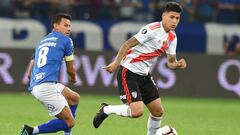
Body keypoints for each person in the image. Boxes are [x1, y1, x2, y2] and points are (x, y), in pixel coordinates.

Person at [93, 2, 186, 135]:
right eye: (172, 17)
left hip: (144, 75)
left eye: (177, 18)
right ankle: (106, 109)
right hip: (129, 71)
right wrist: (116, 63)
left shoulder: (172, 37)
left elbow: (171, 63)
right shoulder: (151, 29)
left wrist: (177, 65)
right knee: (137, 112)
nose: (174, 21)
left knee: (158, 111)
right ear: (163, 16)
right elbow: (127, 44)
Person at [21, 13, 80, 135]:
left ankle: (67, 133)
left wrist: (29, 74)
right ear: (56, 25)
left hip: (40, 84)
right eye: (65, 25)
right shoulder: (66, 41)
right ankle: (31, 131)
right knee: (70, 122)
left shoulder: (42, 41)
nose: (68, 29)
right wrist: (73, 77)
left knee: (74, 98)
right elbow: (70, 69)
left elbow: (33, 60)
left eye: (69, 26)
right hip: (46, 87)